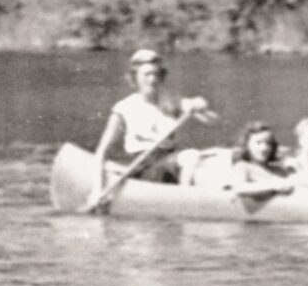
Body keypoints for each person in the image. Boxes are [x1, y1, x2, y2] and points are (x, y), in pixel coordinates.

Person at [86, 47, 215, 203]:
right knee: (191, 156)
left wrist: (201, 106)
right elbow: (101, 151)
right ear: (135, 78)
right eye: (146, 74)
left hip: (169, 162)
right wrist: (96, 190)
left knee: (213, 157)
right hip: (142, 166)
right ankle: (184, 203)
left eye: (156, 74)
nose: (152, 79)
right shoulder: (124, 108)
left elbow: (211, 120)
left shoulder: (172, 101)